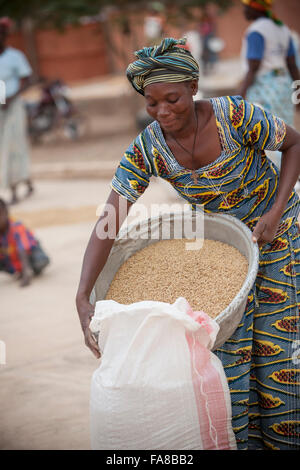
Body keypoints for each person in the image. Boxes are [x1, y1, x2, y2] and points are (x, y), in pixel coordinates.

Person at [76, 37, 300, 450]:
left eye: (173, 99)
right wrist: (82, 294)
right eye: (152, 104)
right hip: (227, 254)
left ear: (194, 87)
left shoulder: (234, 115)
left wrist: (275, 211)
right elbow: (110, 217)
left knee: (276, 357)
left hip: (279, 235)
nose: (163, 112)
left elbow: (294, 142)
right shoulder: (150, 147)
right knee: (228, 361)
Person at [238, 0, 300, 186]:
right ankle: (292, 176)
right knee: (286, 131)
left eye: (245, 5)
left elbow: (254, 66)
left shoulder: (256, 31)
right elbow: (292, 65)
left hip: (264, 88)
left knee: (267, 133)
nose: (243, 10)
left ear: (254, 7)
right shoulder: (282, 29)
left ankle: (276, 181)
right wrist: (297, 92)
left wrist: (239, 96)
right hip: (283, 86)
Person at [0, 17, 34, 204]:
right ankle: (25, 180)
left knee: (14, 146)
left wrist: (11, 97)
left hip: (13, 107)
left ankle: (13, 190)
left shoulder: (15, 56)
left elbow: (27, 78)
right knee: (3, 148)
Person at [0, 198, 49, 287]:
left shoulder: (16, 226)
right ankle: (19, 269)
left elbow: (22, 250)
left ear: (6, 214)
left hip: (28, 253)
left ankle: (28, 269)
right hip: (10, 256)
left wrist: (26, 275)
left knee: (40, 261)